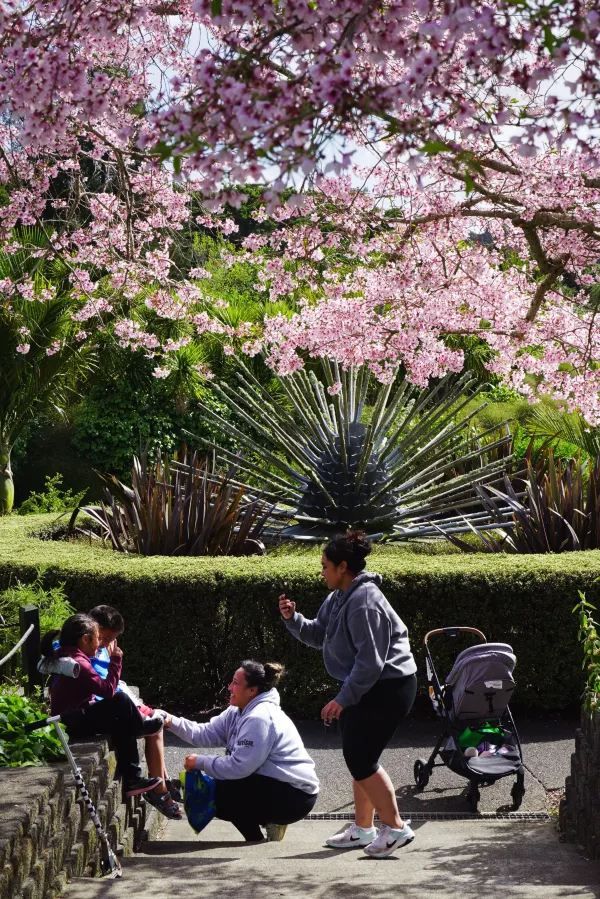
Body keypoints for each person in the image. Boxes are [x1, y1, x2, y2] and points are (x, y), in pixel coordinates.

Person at [278, 530, 417, 858]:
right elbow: (318, 634)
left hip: (390, 685)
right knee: (360, 754)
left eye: (325, 565)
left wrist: (343, 698)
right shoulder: (339, 596)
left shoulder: (364, 600)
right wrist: (292, 619)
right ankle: (363, 828)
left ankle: (396, 828)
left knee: (361, 757)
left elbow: (371, 662)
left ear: (343, 567)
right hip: (371, 684)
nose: (322, 570)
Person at [160, 660, 319, 842]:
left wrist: (200, 762)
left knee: (216, 793)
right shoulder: (237, 711)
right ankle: (267, 826)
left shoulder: (259, 718)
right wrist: (170, 720)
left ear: (252, 690)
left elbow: (239, 767)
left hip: (295, 796)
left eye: (235, 683)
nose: (229, 687)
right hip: (276, 785)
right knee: (223, 787)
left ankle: (262, 833)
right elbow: (203, 733)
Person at [40, 613, 163, 798]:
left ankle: (132, 779)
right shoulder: (80, 663)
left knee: (121, 721)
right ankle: (138, 728)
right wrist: (116, 660)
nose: (100, 644)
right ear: (85, 639)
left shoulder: (66, 653)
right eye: (98, 638)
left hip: (73, 717)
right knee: (120, 701)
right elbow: (107, 690)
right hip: (73, 722)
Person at [88, 604, 181, 820]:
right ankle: (160, 790)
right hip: (107, 703)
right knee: (154, 726)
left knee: (157, 720)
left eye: (111, 639)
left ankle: (163, 784)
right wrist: (114, 661)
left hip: (118, 698)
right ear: (94, 629)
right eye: (105, 637)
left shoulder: (101, 645)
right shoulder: (85, 645)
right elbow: (104, 685)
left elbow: (114, 682)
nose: (107, 643)